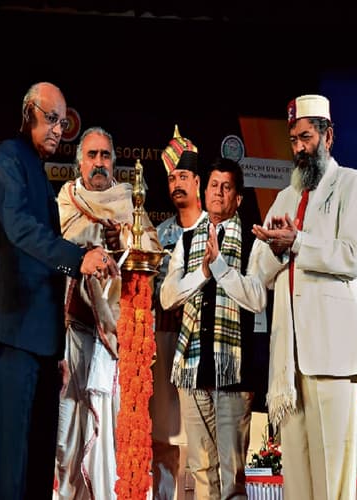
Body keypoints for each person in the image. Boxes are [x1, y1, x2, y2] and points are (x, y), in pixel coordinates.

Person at [0, 82, 117, 499]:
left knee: (40, 467)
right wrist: (79, 259)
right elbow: (21, 230)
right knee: (12, 468)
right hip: (14, 338)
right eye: (52, 119)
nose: (59, 129)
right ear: (28, 113)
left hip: (43, 344)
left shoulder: (37, 171)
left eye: (63, 122)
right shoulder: (9, 159)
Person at [249, 94, 357, 500]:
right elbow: (259, 273)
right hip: (289, 360)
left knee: (333, 476)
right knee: (298, 480)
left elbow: (353, 256)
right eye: (293, 140)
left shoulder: (354, 184)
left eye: (306, 137)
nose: (299, 148)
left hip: (331, 355)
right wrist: (276, 249)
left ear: (328, 136)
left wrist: (297, 241)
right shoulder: (285, 197)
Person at [55, 126, 161, 499]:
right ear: (79, 163)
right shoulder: (66, 202)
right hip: (72, 333)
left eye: (105, 156)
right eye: (92, 155)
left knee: (112, 439)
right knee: (68, 439)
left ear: (114, 162)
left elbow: (151, 253)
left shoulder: (128, 204)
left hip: (114, 341)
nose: (99, 163)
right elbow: (55, 251)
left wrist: (123, 243)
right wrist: (91, 248)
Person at [161, 157, 267, 500]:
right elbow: (167, 297)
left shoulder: (252, 240)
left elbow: (257, 298)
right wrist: (203, 274)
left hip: (234, 373)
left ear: (238, 198)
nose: (218, 192)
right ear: (203, 192)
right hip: (192, 370)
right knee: (201, 470)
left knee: (231, 475)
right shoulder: (188, 240)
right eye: (213, 185)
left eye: (227, 187)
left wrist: (220, 267)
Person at [151, 125, 203, 499]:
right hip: (166, 343)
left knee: (199, 444)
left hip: (202, 346)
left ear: (198, 182)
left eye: (183, 176)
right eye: (172, 178)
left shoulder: (216, 230)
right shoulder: (158, 236)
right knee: (165, 438)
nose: (177, 184)